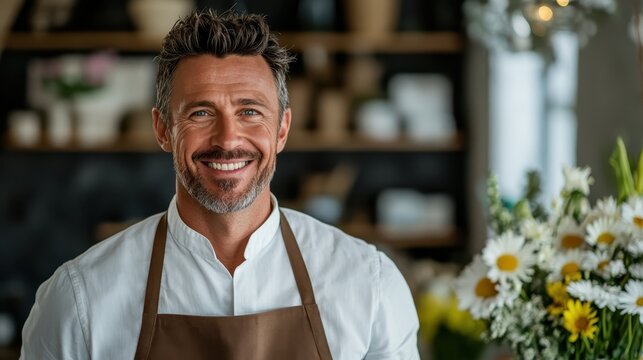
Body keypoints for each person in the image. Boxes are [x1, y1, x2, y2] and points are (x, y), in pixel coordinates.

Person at [20, 9, 419, 359]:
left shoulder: (369, 284)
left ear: (282, 129)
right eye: (200, 112)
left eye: (249, 111)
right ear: (162, 129)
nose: (228, 139)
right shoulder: (79, 298)